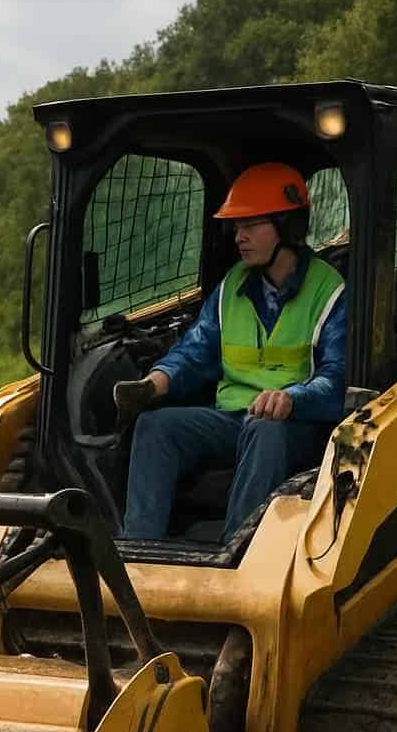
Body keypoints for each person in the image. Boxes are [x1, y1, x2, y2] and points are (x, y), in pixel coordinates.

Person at [115, 161, 348, 542]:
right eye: (236, 226)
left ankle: (235, 550)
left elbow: (336, 382)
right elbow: (195, 351)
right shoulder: (232, 285)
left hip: (296, 426)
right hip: (232, 419)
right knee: (155, 427)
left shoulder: (330, 290)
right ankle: (138, 549)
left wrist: (290, 399)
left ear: (286, 226)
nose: (239, 237)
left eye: (251, 225)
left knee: (266, 430)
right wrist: (154, 384)